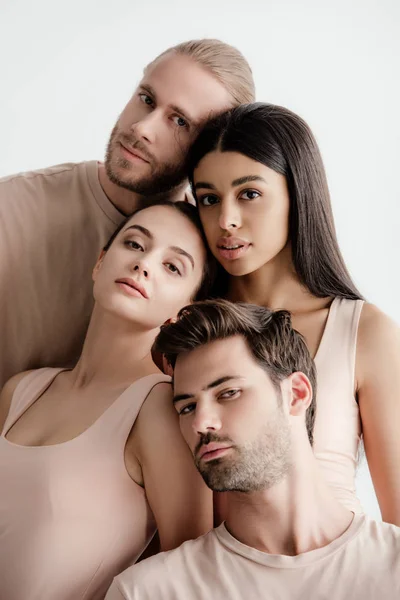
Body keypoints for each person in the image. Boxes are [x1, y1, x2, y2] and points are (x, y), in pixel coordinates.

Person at [185, 103, 400, 525]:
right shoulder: (183, 330)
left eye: (249, 194)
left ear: (297, 194)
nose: (226, 220)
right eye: (209, 199)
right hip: (211, 579)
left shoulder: (363, 332)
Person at [0, 38, 255, 389]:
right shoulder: (10, 208)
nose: (142, 129)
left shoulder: (218, 257)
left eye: (179, 121)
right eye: (146, 99)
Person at [105, 300, 400, 600]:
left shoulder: (392, 568)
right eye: (188, 407)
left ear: (296, 395)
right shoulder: (146, 592)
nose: (200, 423)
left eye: (228, 393)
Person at [0, 200, 216, 600]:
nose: (144, 264)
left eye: (172, 267)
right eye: (135, 244)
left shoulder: (161, 411)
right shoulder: (22, 390)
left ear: (185, 311)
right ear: (100, 263)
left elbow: (191, 575)